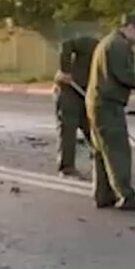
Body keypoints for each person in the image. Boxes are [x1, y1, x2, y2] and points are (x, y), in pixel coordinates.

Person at [86, 13, 135, 211]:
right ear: (128, 27)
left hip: (97, 103)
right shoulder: (119, 45)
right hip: (108, 105)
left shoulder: (107, 42)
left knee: (102, 150)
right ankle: (126, 197)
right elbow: (124, 76)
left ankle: (103, 195)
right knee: (117, 151)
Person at [53, 34, 97, 179]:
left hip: (87, 93)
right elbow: (66, 44)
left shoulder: (119, 57)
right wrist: (65, 70)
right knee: (68, 128)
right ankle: (67, 168)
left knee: (93, 128)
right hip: (70, 89)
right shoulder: (93, 44)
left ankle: (100, 162)